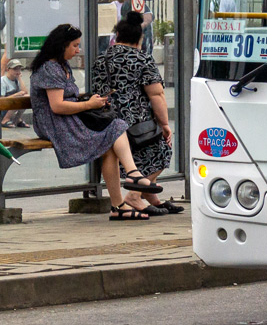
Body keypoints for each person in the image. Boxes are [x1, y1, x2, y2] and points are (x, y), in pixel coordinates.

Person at [26, 23, 161, 221]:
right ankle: (132, 175)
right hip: (56, 124)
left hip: (69, 120)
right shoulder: (49, 68)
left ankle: (119, 205)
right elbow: (57, 106)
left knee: (110, 142)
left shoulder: (61, 65)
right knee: (115, 128)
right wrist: (89, 105)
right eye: (74, 45)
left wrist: (94, 102)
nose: (77, 50)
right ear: (61, 45)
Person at [96, 12, 178, 216]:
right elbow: (156, 94)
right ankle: (134, 196)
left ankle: (150, 195)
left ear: (117, 37)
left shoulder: (102, 59)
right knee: (163, 148)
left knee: (139, 153)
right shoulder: (142, 58)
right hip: (137, 120)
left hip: (107, 119)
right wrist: (165, 124)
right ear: (138, 39)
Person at [0, 55, 23, 128]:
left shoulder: (16, 80)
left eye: (19, 69)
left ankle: (17, 120)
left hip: (10, 108)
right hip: (3, 108)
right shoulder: (2, 81)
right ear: (8, 69)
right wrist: (17, 95)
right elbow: (2, 100)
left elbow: (25, 92)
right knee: (17, 100)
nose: (18, 71)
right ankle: (4, 120)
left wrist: (20, 79)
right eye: (15, 69)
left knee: (26, 99)